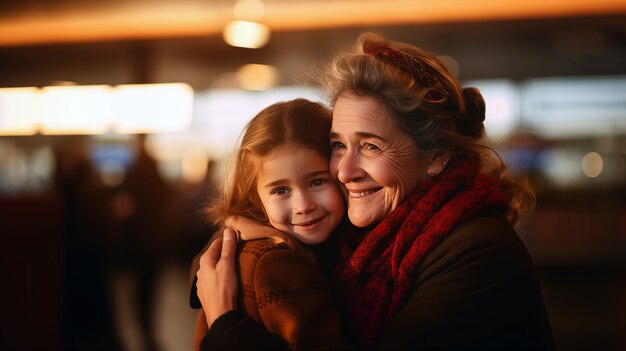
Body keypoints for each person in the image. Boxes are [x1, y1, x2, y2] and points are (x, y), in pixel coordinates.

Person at [193, 33, 555, 350]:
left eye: (371, 147)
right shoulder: (368, 236)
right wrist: (250, 239)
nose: (345, 172)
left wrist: (227, 325)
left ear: (437, 155)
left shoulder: (477, 253)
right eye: (338, 146)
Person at [191, 99, 353, 350]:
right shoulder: (277, 264)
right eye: (280, 190)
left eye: (317, 182)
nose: (303, 205)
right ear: (256, 198)